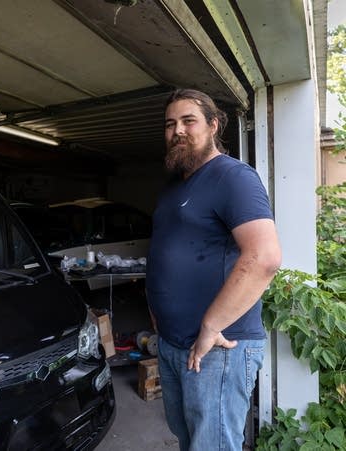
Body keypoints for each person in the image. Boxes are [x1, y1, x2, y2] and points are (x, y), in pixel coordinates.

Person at [145, 89, 282, 451]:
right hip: (175, 344)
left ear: (213, 125)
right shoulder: (175, 185)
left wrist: (210, 325)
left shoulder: (232, 177)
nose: (178, 131)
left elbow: (264, 257)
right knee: (189, 438)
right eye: (170, 124)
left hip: (219, 348)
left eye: (189, 121)